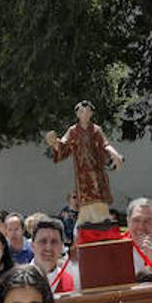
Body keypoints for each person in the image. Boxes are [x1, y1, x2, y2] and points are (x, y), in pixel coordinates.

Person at [43, 100, 126, 233]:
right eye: (81, 111)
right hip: (82, 170)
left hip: (96, 168)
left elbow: (105, 144)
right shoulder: (73, 131)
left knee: (98, 192)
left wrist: (114, 154)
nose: (84, 114)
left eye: (87, 111)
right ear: (77, 114)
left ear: (91, 113)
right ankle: (86, 218)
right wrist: (54, 143)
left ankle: (103, 216)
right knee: (86, 193)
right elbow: (64, 146)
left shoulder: (96, 130)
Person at [31, 218, 75, 292]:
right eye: (43, 241)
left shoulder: (72, 282)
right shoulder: (17, 281)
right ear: (32, 246)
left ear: (61, 247)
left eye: (54, 242)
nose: (48, 247)